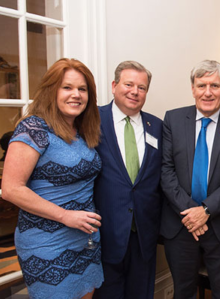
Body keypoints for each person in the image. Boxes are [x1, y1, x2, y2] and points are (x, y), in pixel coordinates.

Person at [1, 58, 103, 299]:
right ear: (51, 91)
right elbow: (11, 189)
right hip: (46, 243)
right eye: (66, 87)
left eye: (82, 89)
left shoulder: (83, 130)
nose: (76, 94)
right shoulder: (33, 128)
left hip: (85, 238)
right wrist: (65, 216)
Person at [160, 60, 220, 299]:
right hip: (181, 225)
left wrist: (206, 210)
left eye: (215, 85)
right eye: (201, 85)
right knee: (184, 292)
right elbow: (166, 172)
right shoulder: (173, 120)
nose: (208, 92)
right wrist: (193, 214)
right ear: (192, 88)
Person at [93, 61, 163, 299]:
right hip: (105, 232)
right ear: (114, 86)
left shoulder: (158, 126)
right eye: (129, 84)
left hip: (144, 234)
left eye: (142, 87)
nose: (135, 91)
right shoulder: (91, 120)